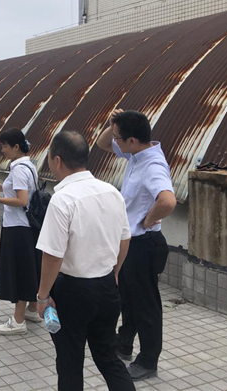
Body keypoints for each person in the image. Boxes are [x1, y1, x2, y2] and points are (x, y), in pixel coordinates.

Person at [35, 131, 135, 391]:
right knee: (108, 358)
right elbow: (125, 238)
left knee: (69, 362)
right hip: (107, 288)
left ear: (57, 160)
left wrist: (42, 296)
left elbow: (52, 256)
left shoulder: (62, 199)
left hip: (72, 292)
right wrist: (115, 272)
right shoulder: (112, 192)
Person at [96, 109, 177, 381]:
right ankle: (124, 343)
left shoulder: (152, 164)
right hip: (132, 243)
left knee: (146, 304)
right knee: (127, 298)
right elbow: (102, 144)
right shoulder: (135, 154)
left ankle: (148, 361)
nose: (115, 142)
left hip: (145, 243)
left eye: (118, 137)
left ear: (132, 140)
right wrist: (112, 123)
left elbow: (168, 201)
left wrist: (149, 219)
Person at [0, 128, 42, 335]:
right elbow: (24, 193)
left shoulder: (18, 169)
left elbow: (22, 200)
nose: (3, 150)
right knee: (29, 269)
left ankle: (18, 321)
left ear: (16, 147)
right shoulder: (28, 166)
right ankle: (32, 309)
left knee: (20, 272)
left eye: (5, 146)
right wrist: (3, 188)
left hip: (17, 227)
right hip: (27, 227)